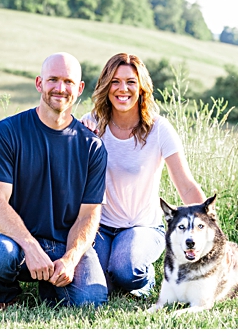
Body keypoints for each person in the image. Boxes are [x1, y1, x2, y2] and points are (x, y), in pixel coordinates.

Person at [0, 52, 109, 310]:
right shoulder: (6, 133)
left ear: (80, 88)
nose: (60, 88)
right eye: (53, 80)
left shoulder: (92, 146)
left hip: (65, 245)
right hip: (17, 243)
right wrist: (30, 246)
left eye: (69, 82)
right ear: (39, 83)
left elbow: (89, 216)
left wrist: (70, 259)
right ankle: (3, 296)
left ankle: (51, 284)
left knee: (91, 302)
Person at [81, 52, 206, 298]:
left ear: (141, 88)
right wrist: (80, 145)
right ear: (106, 86)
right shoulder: (92, 123)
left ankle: (144, 279)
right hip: (100, 226)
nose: (122, 89)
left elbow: (186, 185)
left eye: (130, 82)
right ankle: (117, 278)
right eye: (115, 81)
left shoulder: (159, 129)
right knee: (99, 282)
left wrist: (206, 227)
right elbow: (73, 180)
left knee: (125, 270)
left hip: (143, 227)